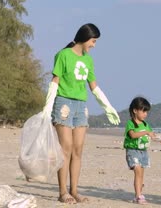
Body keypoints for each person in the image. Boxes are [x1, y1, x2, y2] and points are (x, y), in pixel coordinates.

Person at [42, 23, 120, 204]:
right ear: (85, 38)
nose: (94, 45)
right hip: (63, 104)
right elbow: (55, 81)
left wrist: (108, 107)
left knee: (78, 149)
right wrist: (47, 107)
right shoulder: (63, 55)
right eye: (93, 41)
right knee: (65, 148)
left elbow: (93, 86)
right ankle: (63, 192)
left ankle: (74, 190)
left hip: (81, 106)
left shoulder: (88, 60)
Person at [123, 96, 161, 204]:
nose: (145, 114)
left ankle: (139, 194)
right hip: (133, 151)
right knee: (137, 171)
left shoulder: (146, 125)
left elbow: (152, 135)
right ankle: (138, 196)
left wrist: (160, 139)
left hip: (143, 153)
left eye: (147, 111)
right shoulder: (131, 123)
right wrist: (146, 132)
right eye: (143, 111)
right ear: (135, 110)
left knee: (141, 174)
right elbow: (133, 135)